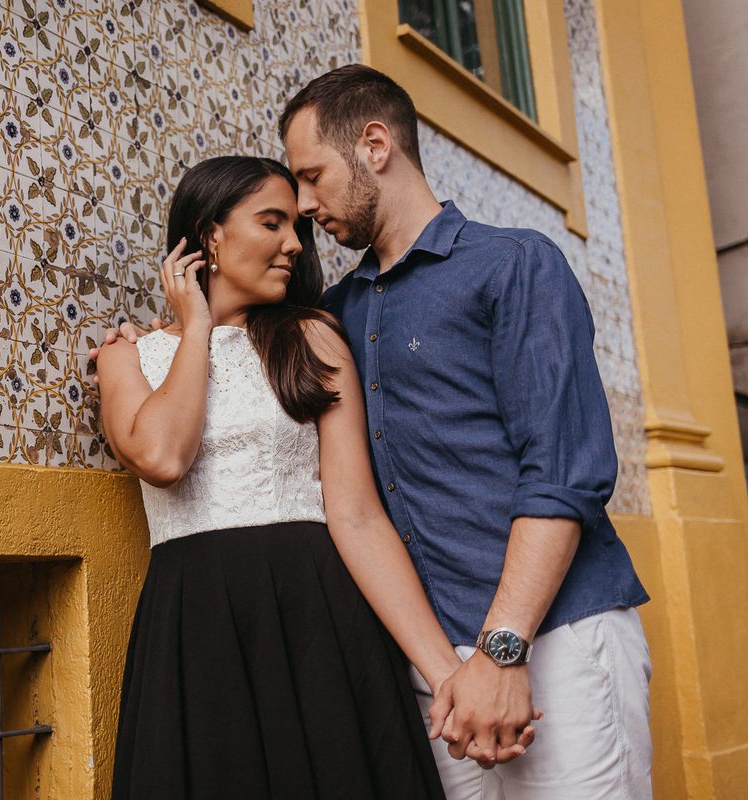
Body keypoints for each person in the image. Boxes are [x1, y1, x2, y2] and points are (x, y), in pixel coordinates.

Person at [96, 65, 652, 800]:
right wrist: (451, 673)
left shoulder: (511, 264)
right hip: (429, 657)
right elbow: (350, 512)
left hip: (551, 638)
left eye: (311, 178)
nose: (302, 206)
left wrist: (503, 651)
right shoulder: (340, 313)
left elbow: (562, 472)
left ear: (377, 145)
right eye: (283, 204)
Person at [97, 156, 529, 800]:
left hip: (319, 617)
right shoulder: (127, 356)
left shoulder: (314, 340)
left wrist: (449, 677)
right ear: (210, 236)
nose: (295, 244)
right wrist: (195, 330)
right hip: (197, 623)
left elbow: (357, 515)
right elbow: (163, 458)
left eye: (297, 226)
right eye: (271, 222)